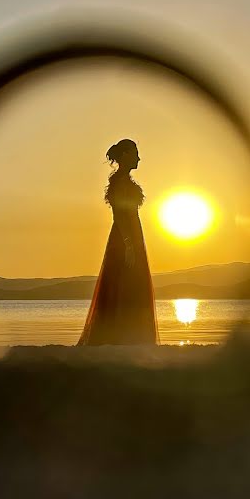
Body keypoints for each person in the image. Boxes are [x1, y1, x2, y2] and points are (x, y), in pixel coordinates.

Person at [78, 139, 159, 345]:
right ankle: (122, 336)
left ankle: (131, 335)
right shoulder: (120, 183)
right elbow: (119, 216)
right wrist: (129, 244)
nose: (139, 158)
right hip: (125, 237)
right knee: (125, 284)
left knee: (131, 284)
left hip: (131, 236)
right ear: (124, 156)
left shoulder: (125, 182)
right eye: (135, 154)